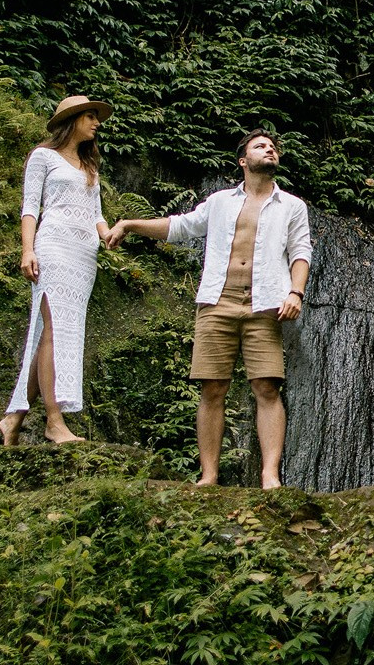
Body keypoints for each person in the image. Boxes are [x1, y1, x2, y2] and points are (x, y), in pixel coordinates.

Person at [107, 130, 311, 488]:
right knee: (212, 389)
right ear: (244, 161)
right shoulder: (219, 202)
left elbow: (300, 252)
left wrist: (296, 292)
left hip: (265, 305)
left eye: (273, 147)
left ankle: (269, 476)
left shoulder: (292, 205)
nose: (270, 149)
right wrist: (130, 224)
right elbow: (179, 227)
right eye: (260, 146)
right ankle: (209, 476)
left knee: (267, 388)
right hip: (217, 302)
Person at [1, 95, 114, 446]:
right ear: (73, 119)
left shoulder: (89, 166)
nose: (97, 123)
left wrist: (110, 233)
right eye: (91, 117)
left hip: (83, 255)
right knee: (53, 330)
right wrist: (27, 249)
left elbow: (96, 214)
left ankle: (13, 418)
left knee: (56, 334)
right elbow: (29, 207)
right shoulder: (43, 157)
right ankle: (53, 421)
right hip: (53, 247)